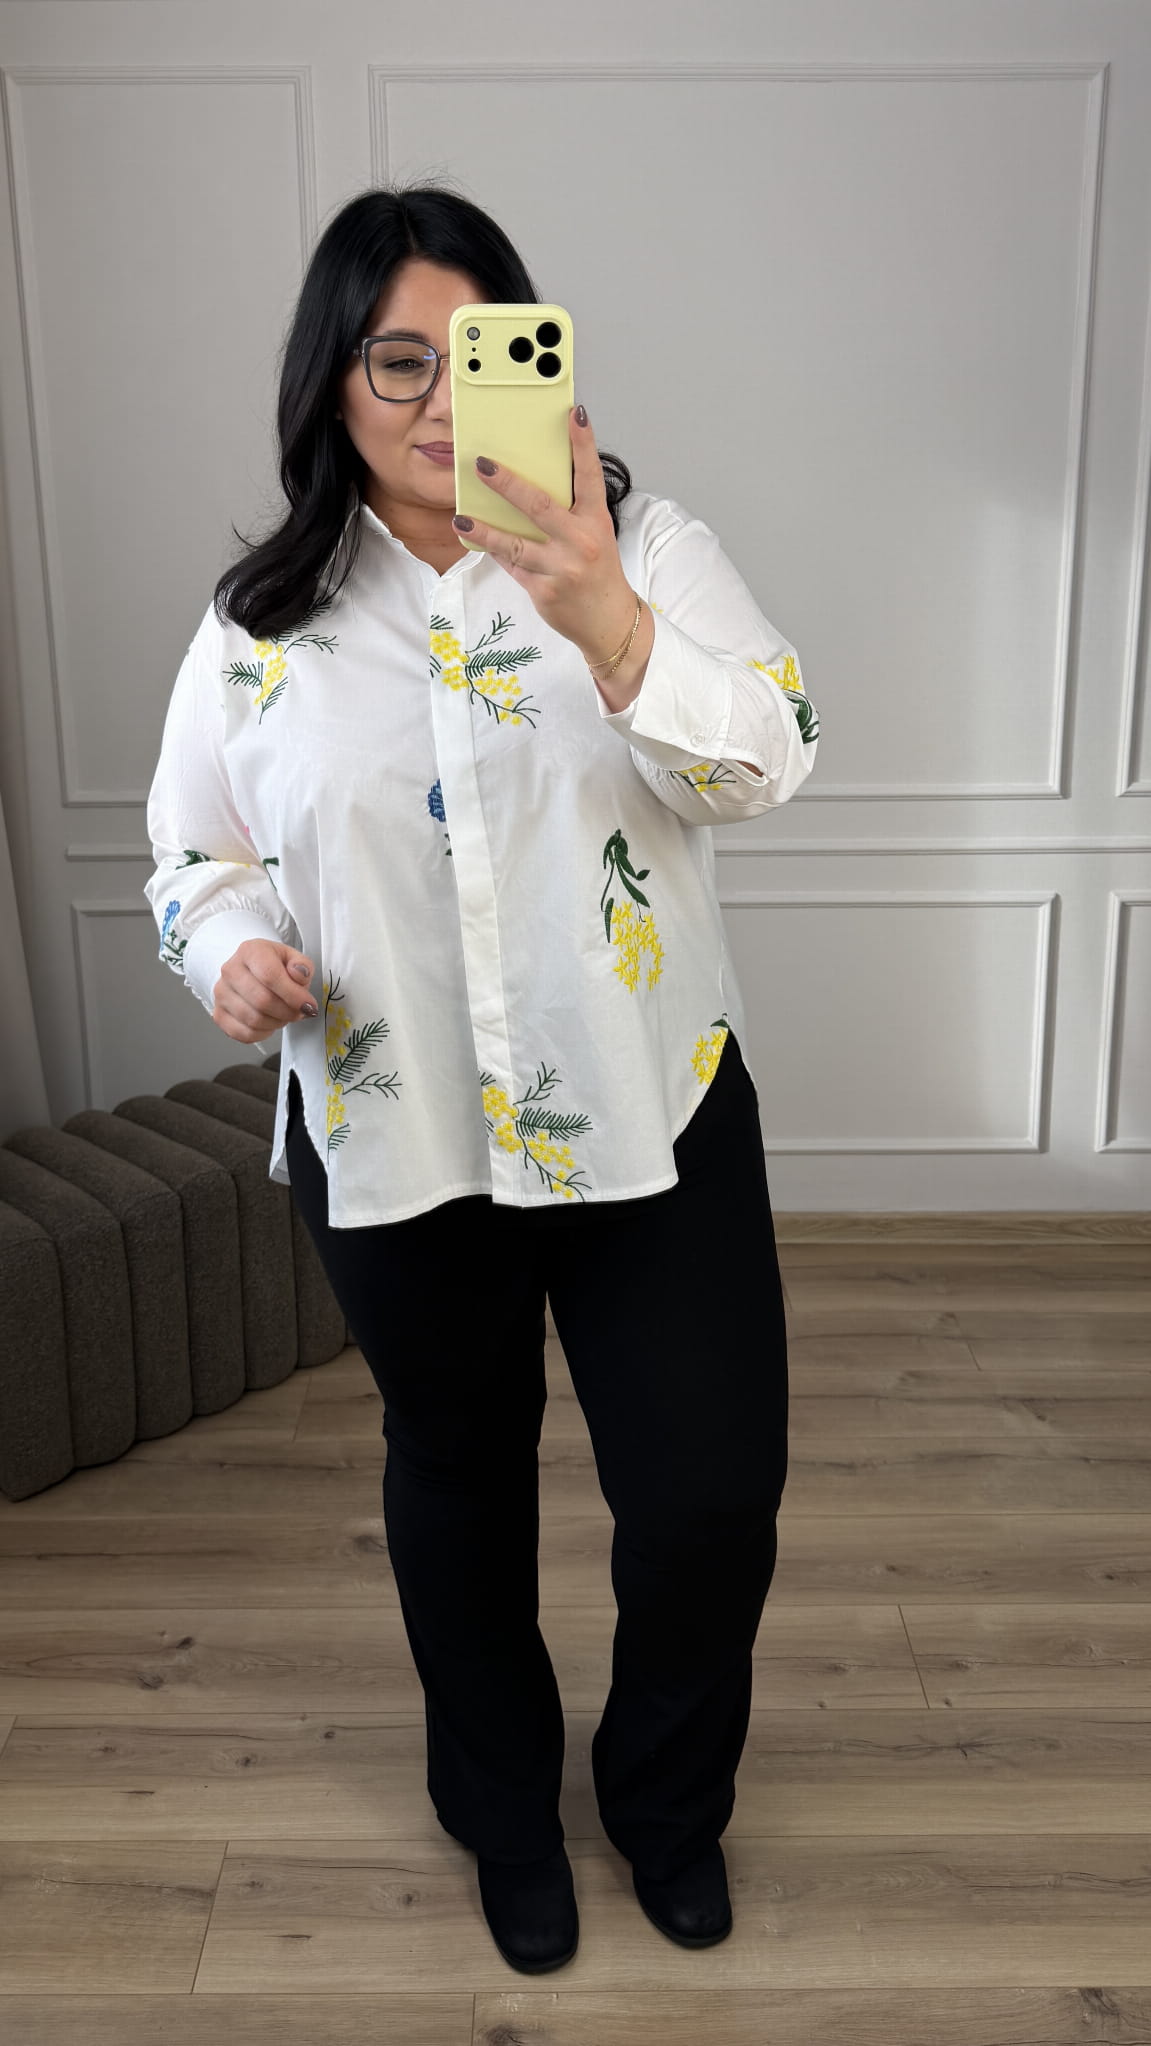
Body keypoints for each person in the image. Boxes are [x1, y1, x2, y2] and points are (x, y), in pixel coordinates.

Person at [144, 182, 820, 1976]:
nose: (443, 399)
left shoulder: (645, 545)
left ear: (545, 356)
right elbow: (191, 856)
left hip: (649, 1113)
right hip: (401, 1136)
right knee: (458, 1483)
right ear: (332, 380)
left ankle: (665, 1803)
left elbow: (772, 753)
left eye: (481, 351)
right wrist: (230, 952)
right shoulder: (260, 622)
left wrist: (602, 611)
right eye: (397, 361)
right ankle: (504, 1812)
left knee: (708, 1496)